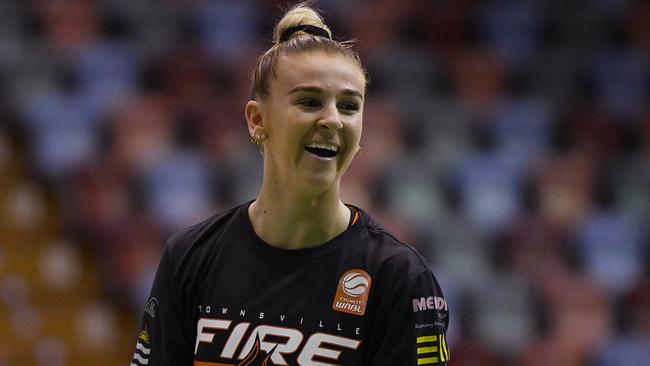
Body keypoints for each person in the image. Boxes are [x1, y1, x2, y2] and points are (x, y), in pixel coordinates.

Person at [130, 3, 450, 365]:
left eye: (349, 107)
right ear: (256, 119)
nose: (332, 120)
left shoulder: (401, 279)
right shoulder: (190, 257)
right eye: (309, 101)